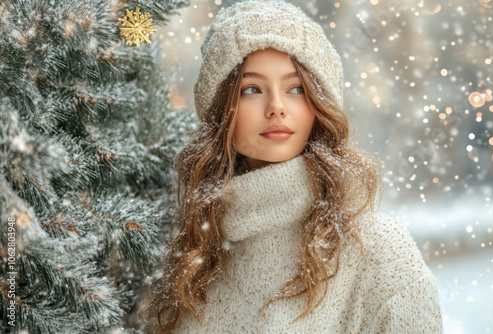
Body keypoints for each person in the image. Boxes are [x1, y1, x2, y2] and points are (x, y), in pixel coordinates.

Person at [146, 0, 443, 333]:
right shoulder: (192, 257)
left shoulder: (379, 250)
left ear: (318, 104)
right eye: (252, 89)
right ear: (220, 109)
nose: (277, 107)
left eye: (296, 89)